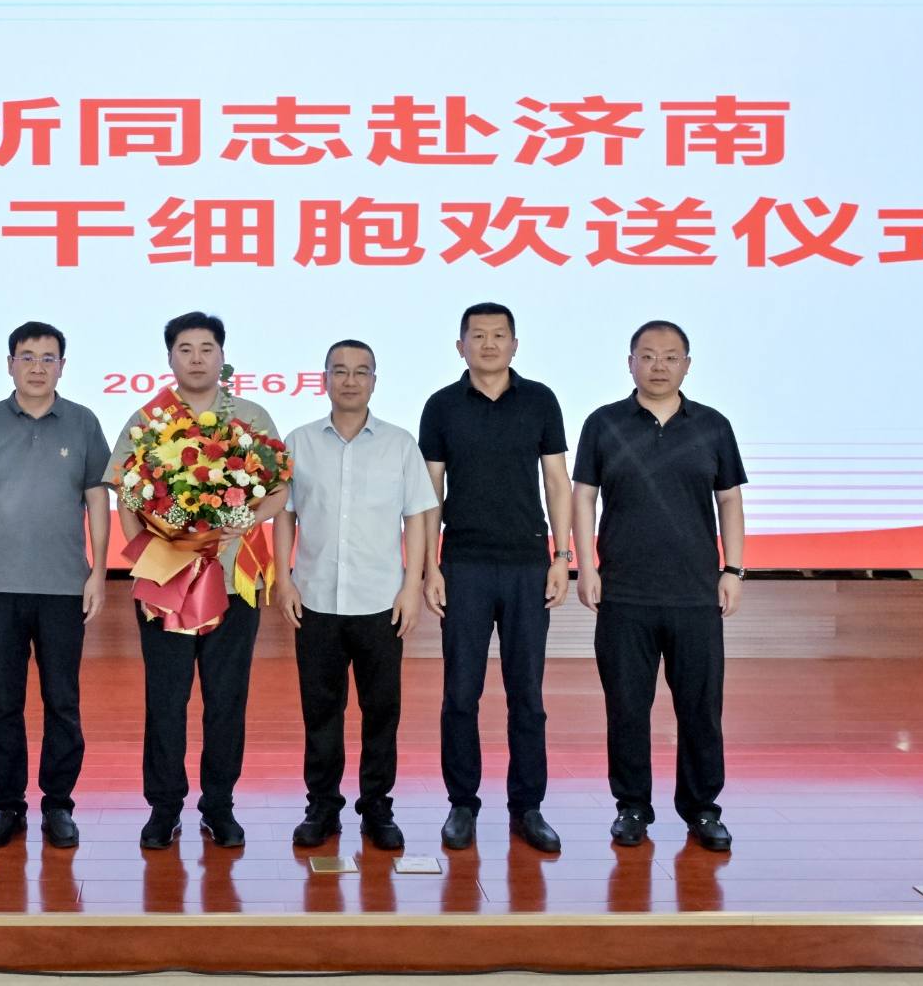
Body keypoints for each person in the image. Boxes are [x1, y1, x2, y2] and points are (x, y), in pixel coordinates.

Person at [108, 311, 286, 850]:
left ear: (222, 356)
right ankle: (164, 807)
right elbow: (126, 492)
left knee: (227, 698)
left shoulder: (251, 417)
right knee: (166, 699)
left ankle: (219, 805)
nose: (196, 358)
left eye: (206, 348)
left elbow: (279, 489)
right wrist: (148, 550)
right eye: (185, 349)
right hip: (166, 583)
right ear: (169, 358)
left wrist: (246, 518)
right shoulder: (148, 418)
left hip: (233, 582)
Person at [573, 319, 747, 853]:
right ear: (630, 363)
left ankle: (702, 809)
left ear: (687, 365)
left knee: (700, 709)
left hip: (696, 594)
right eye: (647, 356)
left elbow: (729, 500)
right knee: (627, 708)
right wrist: (587, 567)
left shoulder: (713, 426)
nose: (658, 366)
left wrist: (734, 569)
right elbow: (583, 496)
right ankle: (632, 806)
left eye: (671, 357)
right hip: (624, 594)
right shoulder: (604, 423)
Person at [0, 320, 112, 850]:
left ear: (62, 366)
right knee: (3, 703)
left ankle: (58, 804)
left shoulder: (83, 423)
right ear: (10, 364)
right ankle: (8, 805)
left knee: (63, 701)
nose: (37, 367)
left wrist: (99, 571)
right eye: (27, 357)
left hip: (64, 587)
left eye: (48, 358)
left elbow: (97, 499)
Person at [418, 301, 573, 854]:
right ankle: (462, 803)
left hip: (528, 564)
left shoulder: (541, 400)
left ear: (514, 344)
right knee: (461, 692)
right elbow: (429, 492)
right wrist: (429, 566)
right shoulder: (441, 406)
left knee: (526, 694)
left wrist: (562, 556)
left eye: (499, 335)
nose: (488, 344)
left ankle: (527, 807)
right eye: (478, 335)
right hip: (463, 564)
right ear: (460, 346)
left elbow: (556, 481)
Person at [274, 340, 438, 852]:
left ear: (374, 381)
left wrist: (411, 586)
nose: (350, 380)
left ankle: (377, 807)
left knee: (381, 711)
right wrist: (284, 578)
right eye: (340, 371)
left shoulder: (399, 444)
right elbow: (284, 515)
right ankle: (322, 806)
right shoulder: (299, 442)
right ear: (323, 378)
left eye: (360, 372)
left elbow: (417, 517)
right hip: (316, 599)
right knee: (320, 711)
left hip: (381, 602)